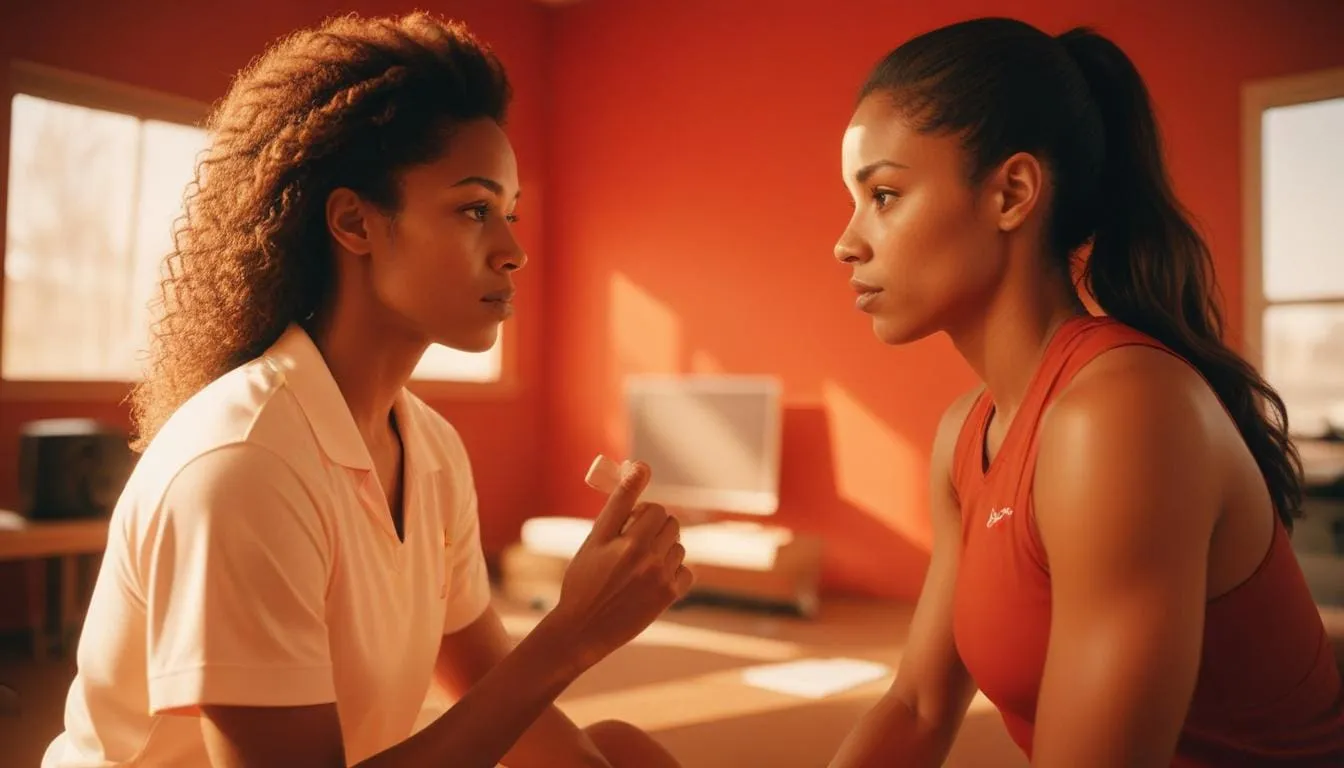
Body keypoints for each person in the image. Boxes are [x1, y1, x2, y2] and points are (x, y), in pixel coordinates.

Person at [42, 13, 690, 768]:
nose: (513, 251)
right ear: (354, 221)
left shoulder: (431, 450)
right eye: (474, 210)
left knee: (621, 754)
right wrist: (568, 634)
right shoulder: (244, 465)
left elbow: (490, 690)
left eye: (509, 215)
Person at [827, 17, 1344, 768]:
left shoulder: (1120, 411)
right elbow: (919, 703)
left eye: (883, 194)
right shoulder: (965, 435)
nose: (846, 241)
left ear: (1011, 193)